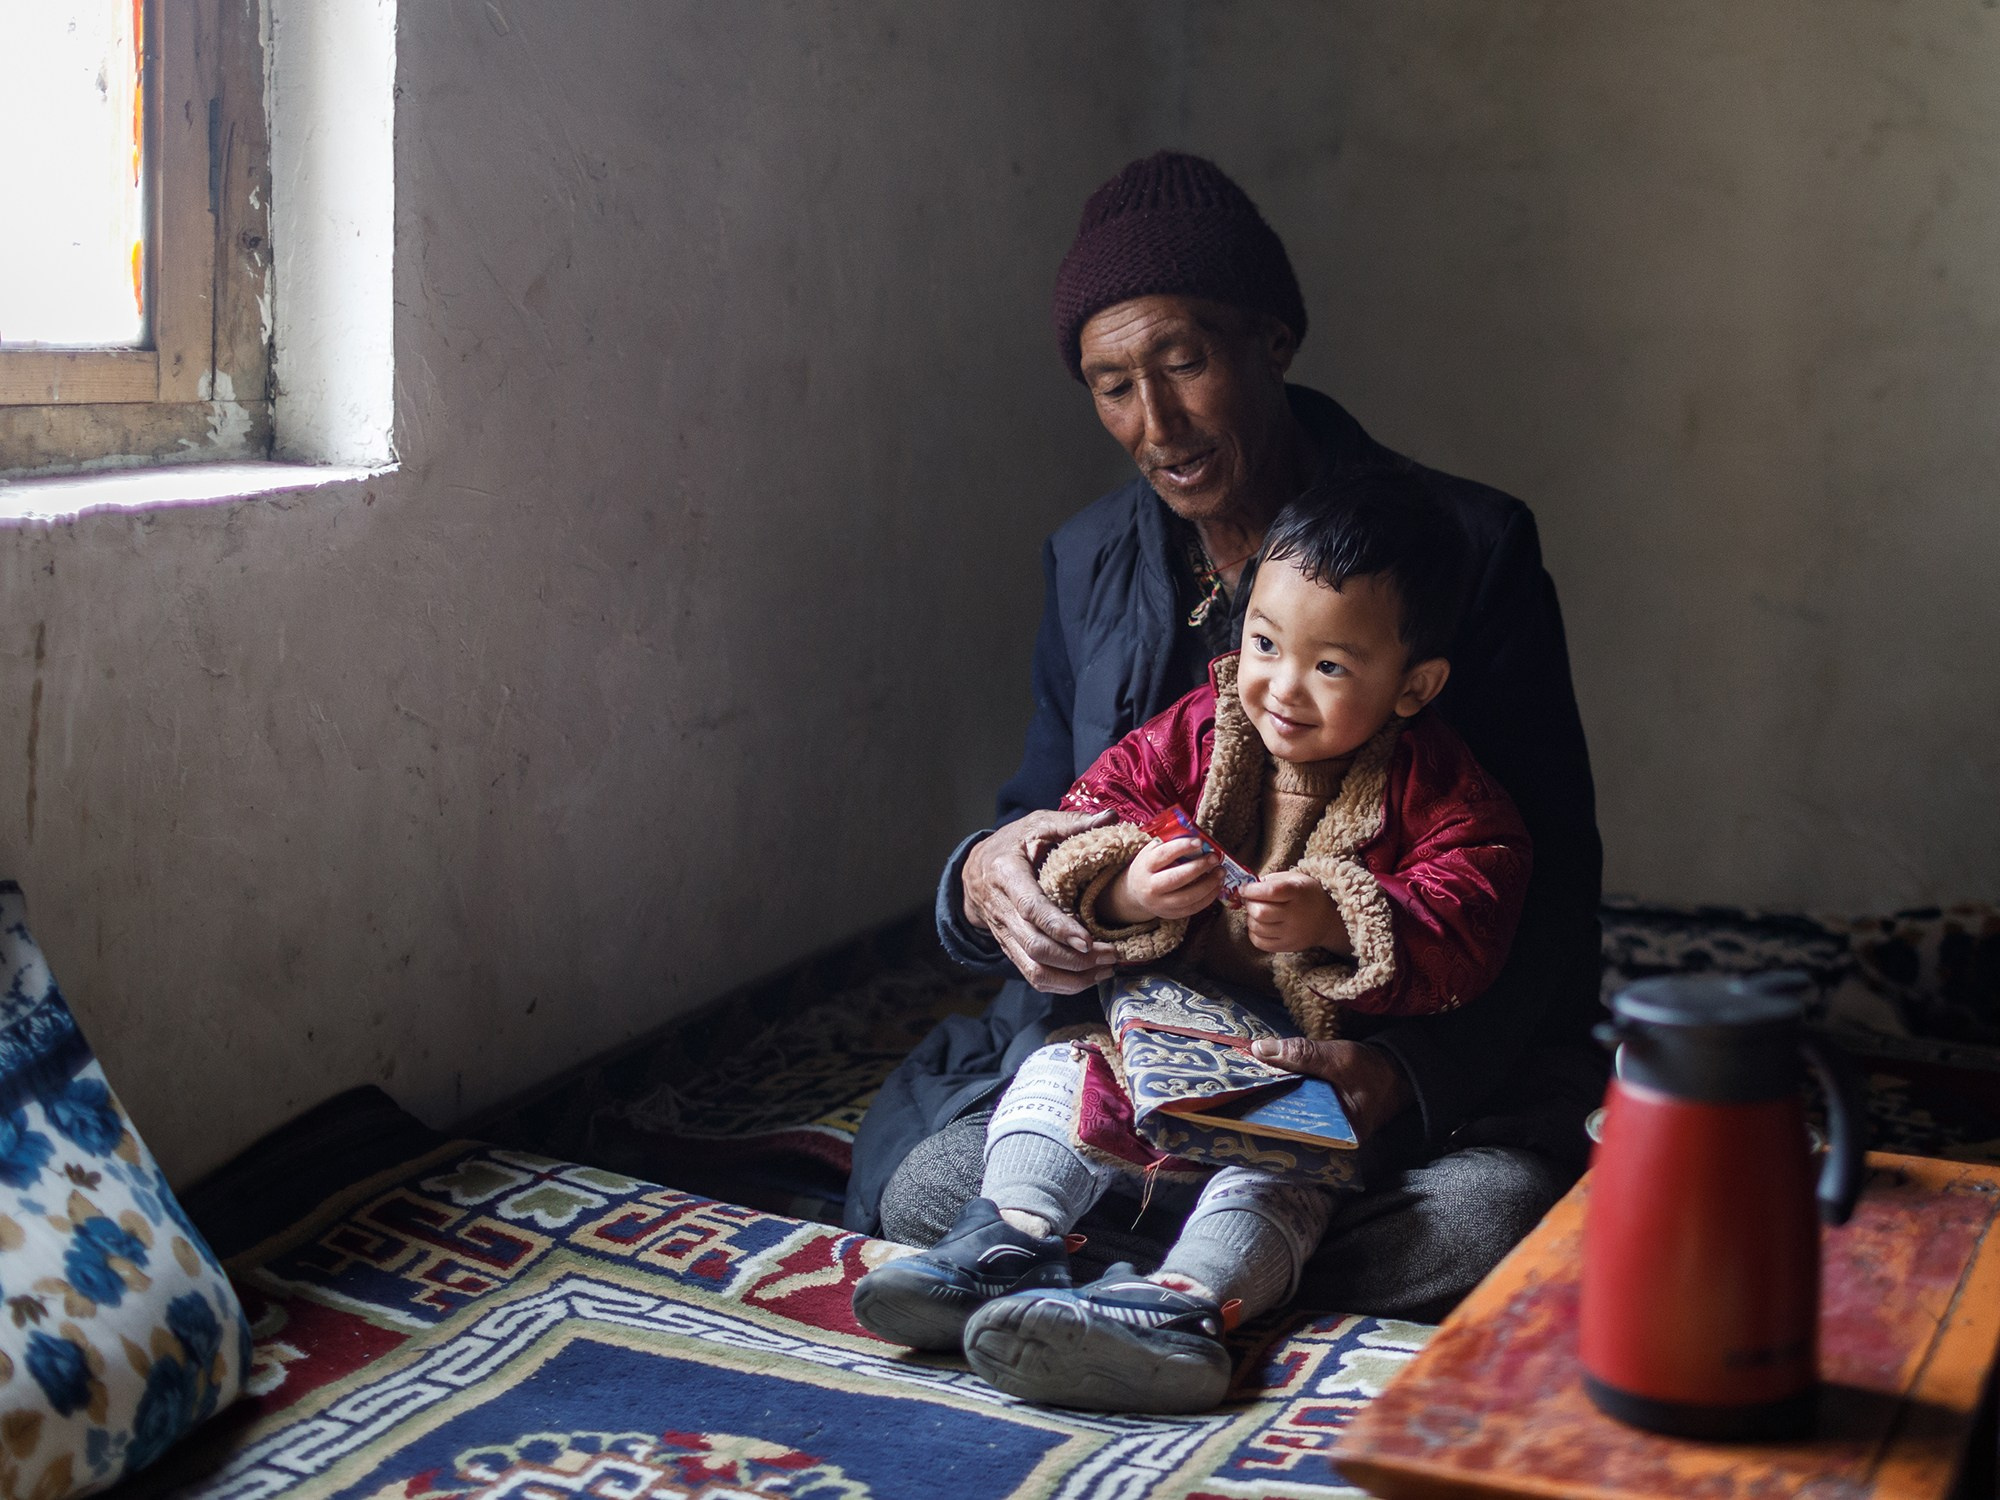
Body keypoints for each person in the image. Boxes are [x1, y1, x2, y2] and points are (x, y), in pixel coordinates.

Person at [846, 150, 1605, 1324]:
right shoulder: (1086, 559)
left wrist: (1396, 1078)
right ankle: (1189, 1270)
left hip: (1349, 1054)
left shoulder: (1463, 548)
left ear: (1271, 341)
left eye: (1183, 363)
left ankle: (1147, 1270)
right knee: (927, 1187)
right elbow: (1041, 809)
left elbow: (1545, 884)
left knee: (1480, 1218)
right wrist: (986, 873)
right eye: (1111, 387)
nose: (1155, 425)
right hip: (1144, 1036)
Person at [852, 477, 1533, 1414]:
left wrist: (1340, 916)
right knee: (1030, 1101)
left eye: (1332, 667)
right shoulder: (1197, 729)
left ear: (1415, 686)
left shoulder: (1447, 794)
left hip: (1296, 1087)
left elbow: (1471, 917)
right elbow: (1093, 809)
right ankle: (1007, 1239)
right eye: (1265, 644)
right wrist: (1126, 885)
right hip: (1145, 1055)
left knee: (1439, 1205)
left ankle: (1179, 1305)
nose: (1282, 688)